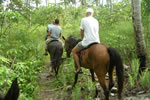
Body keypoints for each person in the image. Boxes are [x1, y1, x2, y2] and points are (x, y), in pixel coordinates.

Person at [72, 8, 100, 73]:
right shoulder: (96, 20)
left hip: (87, 41)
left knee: (73, 51)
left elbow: (81, 31)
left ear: (86, 13)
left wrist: (82, 39)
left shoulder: (83, 19)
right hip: (97, 41)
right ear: (92, 14)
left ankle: (79, 68)